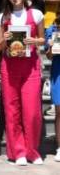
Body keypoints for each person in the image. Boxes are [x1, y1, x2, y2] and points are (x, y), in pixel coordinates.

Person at [0, 0, 45, 166]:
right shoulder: (2, 17)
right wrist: (4, 39)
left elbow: (42, 40)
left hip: (31, 67)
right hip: (9, 67)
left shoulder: (36, 14)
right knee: (12, 111)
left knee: (32, 112)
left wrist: (34, 41)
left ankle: (32, 151)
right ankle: (18, 152)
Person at [44, 14, 60, 162]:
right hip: (58, 72)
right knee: (59, 111)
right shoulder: (52, 29)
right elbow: (49, 56)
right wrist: (50, 46)